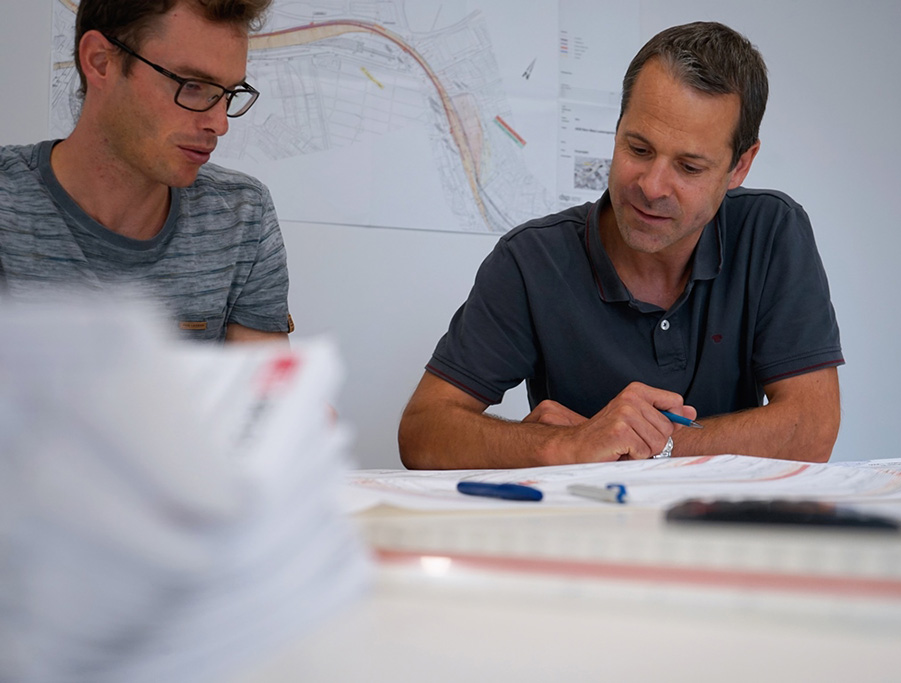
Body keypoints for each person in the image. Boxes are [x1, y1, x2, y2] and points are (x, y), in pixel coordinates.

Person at [399, 22, 844, 469]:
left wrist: (642, 446)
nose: (651, 187)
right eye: (639, 149)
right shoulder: (531, 260)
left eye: (689, 167)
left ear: (740, 166)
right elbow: (422, 432)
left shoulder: (771, 231)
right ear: (617, 130)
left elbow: (812, 429)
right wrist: (565, 445)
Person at [0, 0, 291, 343]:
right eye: (193, 85)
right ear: (100, 61)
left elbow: (266, 377)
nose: (219, 124)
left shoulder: (243, 215)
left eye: (227, 94)